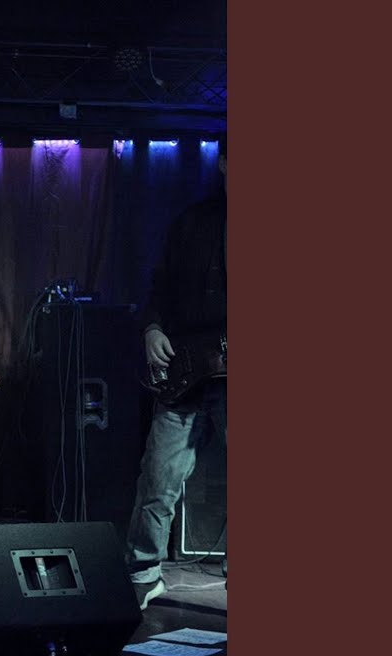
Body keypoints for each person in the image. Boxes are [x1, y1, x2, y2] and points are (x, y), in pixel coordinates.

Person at [126, 137, 228, 610]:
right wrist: (151, 329)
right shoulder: (192, 221)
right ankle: (143, 574)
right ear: (224, 163)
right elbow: (159, 284)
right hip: (185, 372)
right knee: (158, 476)